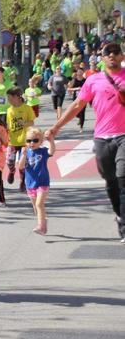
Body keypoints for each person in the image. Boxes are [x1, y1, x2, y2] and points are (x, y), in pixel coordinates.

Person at [46, 43, 125, 242]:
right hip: (102, 137)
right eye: (108, 53)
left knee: (123, 178)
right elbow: (77, 105)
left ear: (122, 55)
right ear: (102, 58)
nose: (112, 56)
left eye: (116, 52)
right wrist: (56, 127)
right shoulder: (93, 80)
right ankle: (119, 214)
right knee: (110, 181)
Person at [19, 127, 56, 235]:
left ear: (40, 141)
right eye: (29, 141)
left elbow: (52, 151)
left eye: (35, 140)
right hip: (30, 184)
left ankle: (41, 226)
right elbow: (20, 166)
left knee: (39, 204)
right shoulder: (25, 152)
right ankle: (43, 222)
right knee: (36, 206)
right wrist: (24, 155)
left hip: (43, 182)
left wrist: (51, 141)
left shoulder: (43, 151)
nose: (32, 143)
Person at [5, 87, 35, 191]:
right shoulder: (9, 110)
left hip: (24, 142)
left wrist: (24, 123)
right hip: (12, 141)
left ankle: (23, 181)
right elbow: (8, 124)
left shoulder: (27, 108)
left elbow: (32, 122)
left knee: (23, 164)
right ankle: (11, 171)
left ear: (17, 97)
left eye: (10, 98)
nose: (8, 100)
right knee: (9, 161)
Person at [67, 67, 86, 132]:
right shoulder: (74, 80)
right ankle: (79, 118)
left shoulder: (85, 80)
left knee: (82, 112)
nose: (80, 73)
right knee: (76, 112)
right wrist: (76, 89)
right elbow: (69, 89)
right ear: (77, 73)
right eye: (79, 71)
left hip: (84, 98)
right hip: (76, 98)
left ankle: (81, 127)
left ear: (83, 72)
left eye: (81, 72)